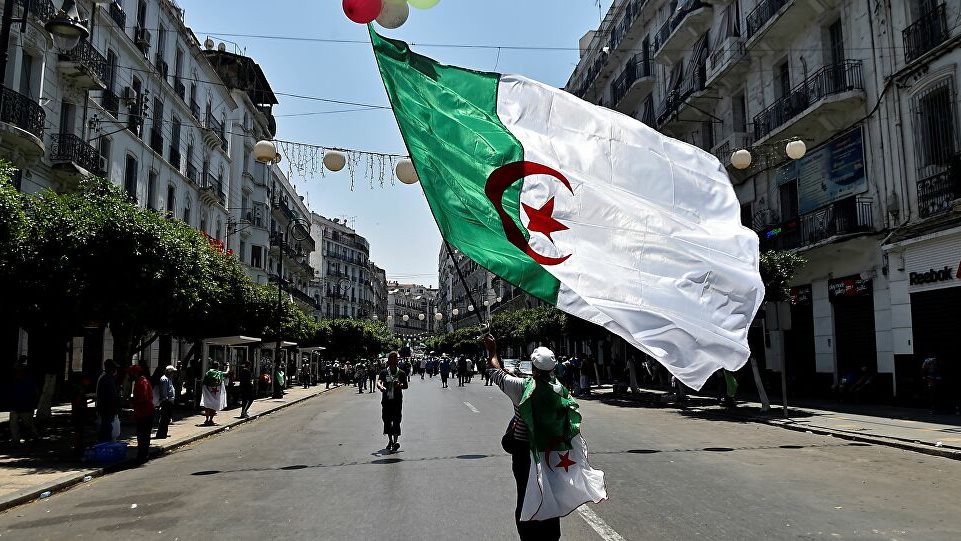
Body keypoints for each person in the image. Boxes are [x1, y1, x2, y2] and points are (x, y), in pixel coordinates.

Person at [483, 335, 605, 540]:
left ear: (533, 367)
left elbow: (494, 370)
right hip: (552, 452)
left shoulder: (521, 387)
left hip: (524, 452)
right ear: (553, 368)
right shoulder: (561, 390)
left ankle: (527, 535)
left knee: (525, 494)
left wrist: (492, 350)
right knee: (549, 493)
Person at [376, 351, 408, 453]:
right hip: (386, 401)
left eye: (395, 358)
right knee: (387, 420)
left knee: (396, 420)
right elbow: (379, 382)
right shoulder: (384, 372)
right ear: (388, 360)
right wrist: (380, 387)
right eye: (392, 358)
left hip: (397, 401)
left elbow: (405, 386)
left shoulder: (401, 373)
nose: (394, 359)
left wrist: (399, 385)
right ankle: (390, 440)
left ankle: (395, 441)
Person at [10, 357, 40, 444]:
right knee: (14, 423)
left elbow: (35, 392)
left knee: (28, 424)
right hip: (17, 404)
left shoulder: (28, 380)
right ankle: (16, 440)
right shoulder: (17, 380)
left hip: (25, 405)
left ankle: (34, 435)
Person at [129, 365, 154, 463]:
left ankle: (143, 455)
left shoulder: (142, 382)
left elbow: (143, 397)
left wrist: (133, 401)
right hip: (143, 412)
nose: (129, 375)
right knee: (143, 435)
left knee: (143, 434)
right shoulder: (140, 381)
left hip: (145, 412)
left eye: (131, 373)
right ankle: (143, 454)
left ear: (135, 373)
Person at [95, 359, 120, 443]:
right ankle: (105, 445)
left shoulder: (105, 377)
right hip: (107, 409)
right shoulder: (107, 379)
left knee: (106, 428)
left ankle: (104, 443)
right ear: (112, 369)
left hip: (105, 409)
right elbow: (111, 397)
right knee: (107, 429)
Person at [156, 365, 177, 438]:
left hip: (169, 401)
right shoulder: (164, 379)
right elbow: (164, 391)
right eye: (172, 372)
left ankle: (164, 433)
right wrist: (166, 399)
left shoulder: (169, 379)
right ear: (169, 372)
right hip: (166, 402)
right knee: (164, 418)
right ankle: (161, 434)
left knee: (167, 418)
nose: (173, 374)